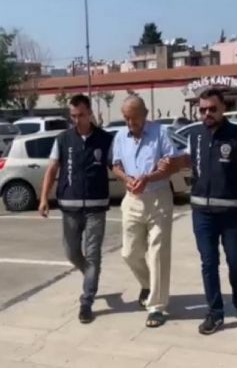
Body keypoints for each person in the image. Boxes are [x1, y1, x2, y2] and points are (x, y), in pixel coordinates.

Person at [161, 88, 237, 335]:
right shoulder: (195, 134)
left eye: (212, 109)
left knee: (236, 260)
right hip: (201, 212)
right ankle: (215, 313)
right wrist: (170, 164)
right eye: (203, 109)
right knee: (209, 262)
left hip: (231, 211)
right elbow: (188, 159)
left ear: (223, 108)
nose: (207, 113)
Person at [38, 94, 113, 324]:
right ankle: (91, 274)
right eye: (73, 116)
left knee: (93, 254)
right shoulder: (63, 139)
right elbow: (52, 169)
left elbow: (117, 165)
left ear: (90, 113)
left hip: (96, 207)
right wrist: (44, 198)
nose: (77, 120)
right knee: (71, 252)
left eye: (81, 115)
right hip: (69, 206)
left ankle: (86, 301)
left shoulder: (105, 139)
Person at [111, 95, 180, 328]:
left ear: (145, 114)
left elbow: (169, 165)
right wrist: (126, 179)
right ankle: (149, 284)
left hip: (158, 198)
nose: (130, 123)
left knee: (158, 253)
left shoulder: (161, 133)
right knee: (129, 253)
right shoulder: (120, 136)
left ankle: (157, 307)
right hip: (132, 199)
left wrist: (148, 177)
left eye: (135, 118)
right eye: (126, 118)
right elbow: (116, 165)